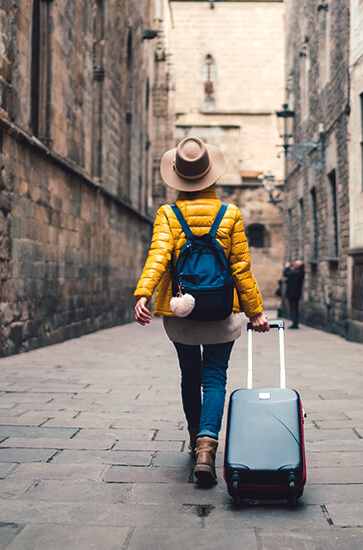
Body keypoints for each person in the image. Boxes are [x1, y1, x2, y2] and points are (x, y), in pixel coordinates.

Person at [133, 136, 269, 487]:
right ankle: (209, 444)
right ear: (213, 177)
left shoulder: (168, 214)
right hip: (223, 312)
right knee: (216, 376)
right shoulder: (231, 215)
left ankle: (195, 440)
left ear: (178, 177)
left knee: (190, 375)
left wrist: (144, 293)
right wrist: (255, 312)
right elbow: (240, 267)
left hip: (182, 312)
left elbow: (158, 256)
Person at [283, 260, 305, 329]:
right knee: (295, 308)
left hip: (292, 293)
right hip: (296, 293)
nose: (294, 265)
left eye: (295, 264)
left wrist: (286, 267)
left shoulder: (296, 273)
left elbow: (286, 273)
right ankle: (295, 323)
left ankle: (294, 324)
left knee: (293, 308)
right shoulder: (300, 273)